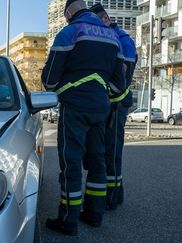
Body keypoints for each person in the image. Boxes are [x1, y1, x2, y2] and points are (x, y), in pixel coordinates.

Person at [41, 0, 126, 235]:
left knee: (71, 164)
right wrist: (100, 91)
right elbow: (120, 83)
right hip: (101, 108)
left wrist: (70, 85)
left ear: (69, 13)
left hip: (75, 108)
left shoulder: (70, 32)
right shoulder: (112, 36)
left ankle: (68, 220)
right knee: (98, 161)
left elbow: (49, 80)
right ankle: (94, 214)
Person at [89, 3, 138, 210]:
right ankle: (114, 195)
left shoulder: (122, 41)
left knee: (112, 152)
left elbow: (122, 78)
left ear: (105, 20)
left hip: (116, 106)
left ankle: (113, 196)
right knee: (105, 151)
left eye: (96, 24)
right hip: (111, 105)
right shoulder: (115, 38)